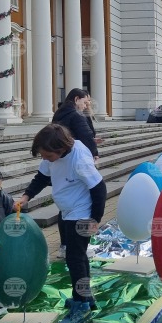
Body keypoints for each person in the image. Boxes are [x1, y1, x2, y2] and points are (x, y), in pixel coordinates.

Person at [18, 124, 107, 323]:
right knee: (77, 256)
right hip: (67, 210)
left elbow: (99, 188)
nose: (46, 159)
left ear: (61, 149)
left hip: (82, 212)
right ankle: (85, 296)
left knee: (75, 258)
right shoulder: (51, 153)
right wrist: (26, 196)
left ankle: (81, 305)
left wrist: (95, 220)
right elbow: (42, 177)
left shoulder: (79, 159)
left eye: (48, 156)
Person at [52, 88, 101, 258]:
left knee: (65, 207)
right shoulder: (76, 115)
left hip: (61, 163)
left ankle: (65, 245)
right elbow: (87, 136)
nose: (86, 106)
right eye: (85, 102)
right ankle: (80, 247)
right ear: (76, 99)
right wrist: (94, 152)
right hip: (78, 163)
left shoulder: (59, 114)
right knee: (81, 204)